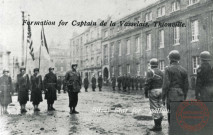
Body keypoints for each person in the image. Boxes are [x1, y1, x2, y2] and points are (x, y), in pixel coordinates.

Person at [162, 50, 189, 124]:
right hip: (181, 94)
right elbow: (186, 85)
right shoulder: (184, 70)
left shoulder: (168, 69)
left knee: (171, 114)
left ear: (170, 59)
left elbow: (166, 84)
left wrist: (163, 97)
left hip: (171, 94)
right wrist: (185, 96)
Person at [144, 58, 164, 131]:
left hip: (153, 91)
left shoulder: (150, 72)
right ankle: (160, 123)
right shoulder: (161, 72)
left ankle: (157, 126)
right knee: (159, 106)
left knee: (154, 108)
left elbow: (147, 82)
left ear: (150, 64)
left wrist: (146, 92)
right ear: (157, 64)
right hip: (161, 90)